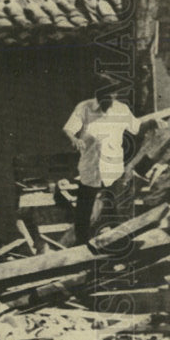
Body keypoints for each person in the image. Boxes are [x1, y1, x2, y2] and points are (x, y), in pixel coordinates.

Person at [62, 75, 139, 244]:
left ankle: (121, 246)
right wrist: (74, 139)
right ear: (99, 94)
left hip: (113, 169)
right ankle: (81, 248)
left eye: (114, 94)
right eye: (107, 95)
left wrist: (154, 122)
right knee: (83, 212)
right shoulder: (84, 108)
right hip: (90, 168)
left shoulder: (121, 110)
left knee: (118, 210)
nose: (112, 98)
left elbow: (136, 127)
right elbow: (68, 128)